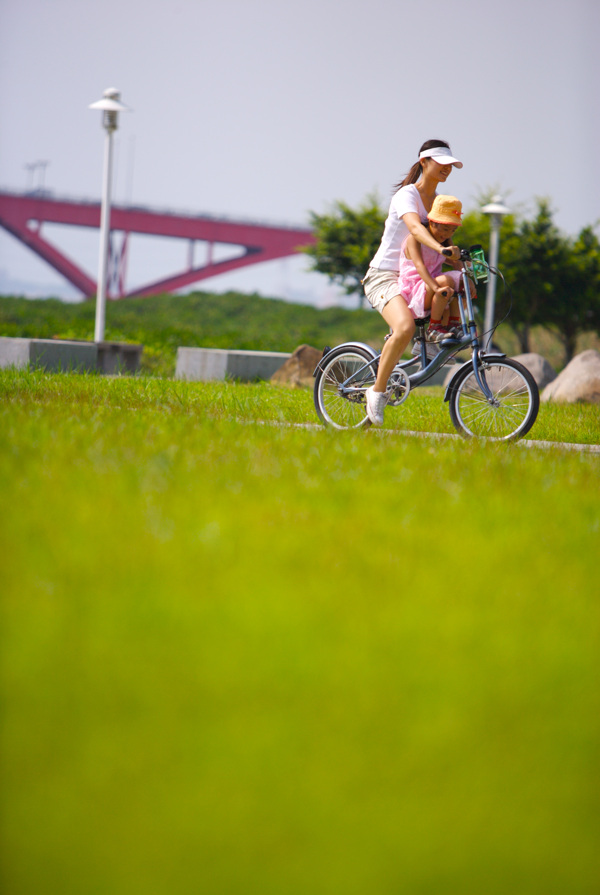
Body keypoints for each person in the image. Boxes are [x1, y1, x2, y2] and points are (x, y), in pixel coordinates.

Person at [362, 139, 463, 426]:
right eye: (441, 164)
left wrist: (460, 261)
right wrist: (442, 250)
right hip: (384, 276)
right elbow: (416, 228)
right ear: (424, 163)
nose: (447, 169)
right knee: (404, 326)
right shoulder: (407, 196)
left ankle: (431, 340)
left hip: (416, 280)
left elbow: (447, 239)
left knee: (454, 287)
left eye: (450, 165)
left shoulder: (440, 202)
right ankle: (377, 393)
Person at [398, 194, 464, 342]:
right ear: (432, 222)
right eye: (445, 229)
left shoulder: (443, 242)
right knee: (447, 280)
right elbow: (420, 266)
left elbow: (456, 264)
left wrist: (466, 280)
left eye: (452, 231)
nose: (447, 234)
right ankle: (433, 328)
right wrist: (436, 288)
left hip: (433, 288)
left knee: (458, 282)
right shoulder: (414, 239)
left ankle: (453, 324)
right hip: (415, 291)